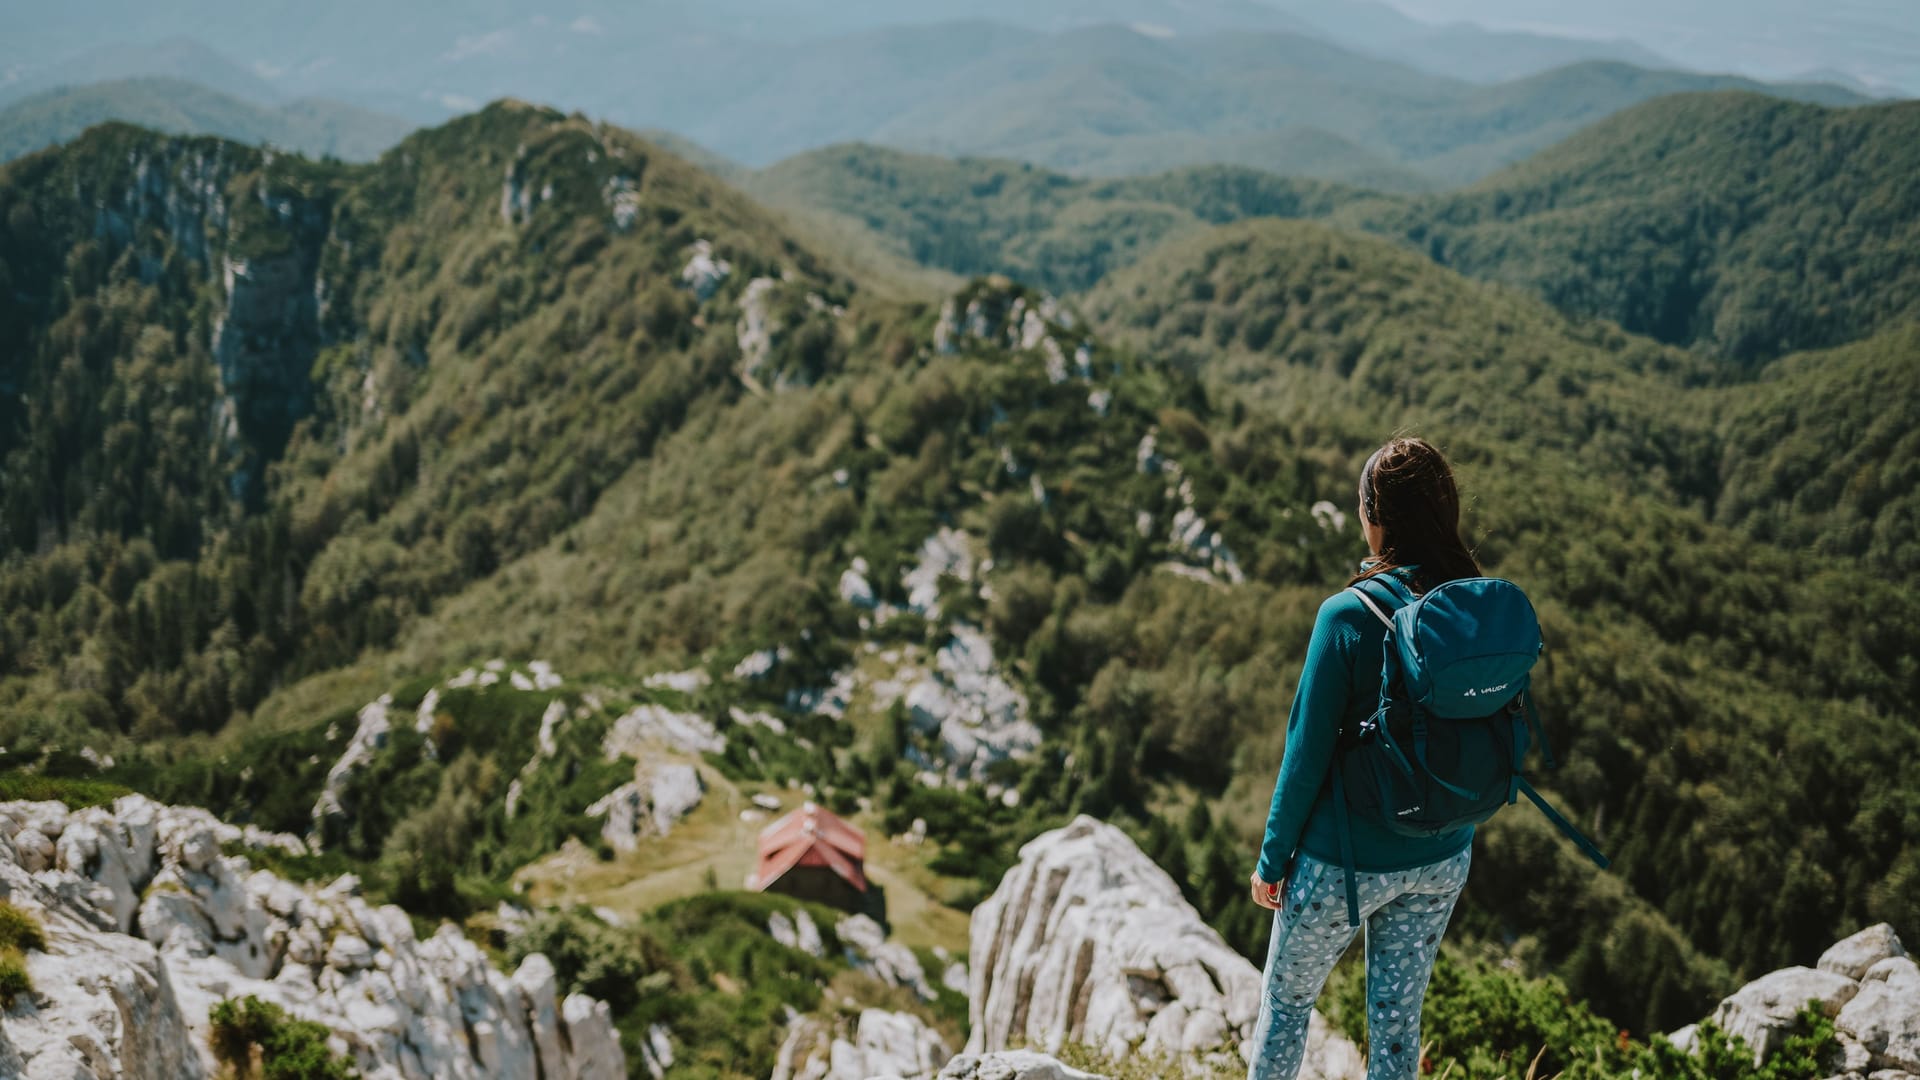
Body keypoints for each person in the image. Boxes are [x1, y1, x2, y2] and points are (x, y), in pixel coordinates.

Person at [1245, 436, 1482, 1080]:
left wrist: (1272, 860)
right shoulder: (1472, 606)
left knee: (1288, 1003)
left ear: (1377, 519)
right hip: (1442, 854)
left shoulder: (1347, 615)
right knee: (1398, 1020)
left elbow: (1306, 751)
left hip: (1342, 860)